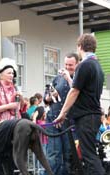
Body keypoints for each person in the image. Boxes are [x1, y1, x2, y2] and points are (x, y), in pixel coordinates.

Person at [54, 33, 106, 175]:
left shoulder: (84, 65)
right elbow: (82, 90)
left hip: (86, 117)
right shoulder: (97, 66)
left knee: (89, 156)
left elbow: (74, 92)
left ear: (79, 47)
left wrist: (62, 113)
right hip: (93, 116)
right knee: (88, 154)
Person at [0, 57, 25, 175]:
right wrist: (8, 106)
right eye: (9, 73)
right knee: (0, 162)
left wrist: (21, 98)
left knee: (14, 161)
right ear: (1, 74)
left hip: (15, 129)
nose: (12, 75)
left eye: (13, 73)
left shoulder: (15, 89)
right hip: (0, 130)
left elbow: (22, 108)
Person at [44, 53, 79, 175]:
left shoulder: (79, 77)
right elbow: (46, 98)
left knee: (69, 155)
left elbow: (77, 93)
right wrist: (50, 96)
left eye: (71, 65)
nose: (67, 67)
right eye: (66, 64)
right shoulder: (57, 78)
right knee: (53, 155)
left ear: (77, 64)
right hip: (53, 120)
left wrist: (69, 79)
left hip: (70, 123)